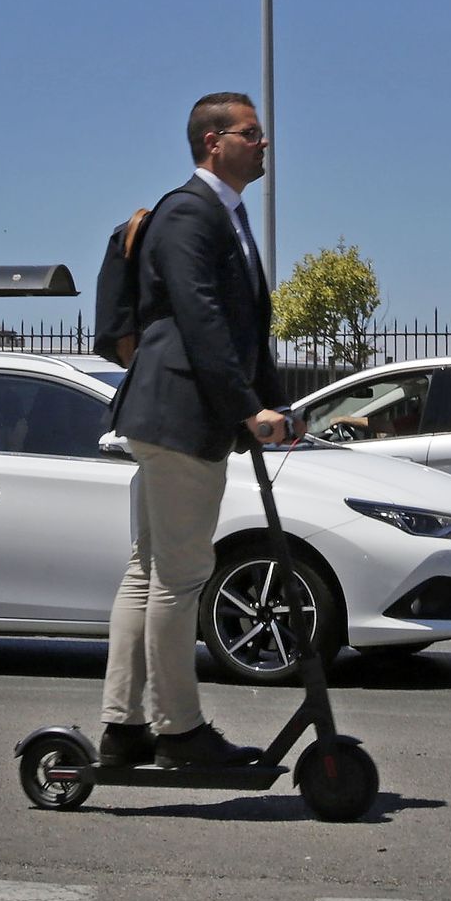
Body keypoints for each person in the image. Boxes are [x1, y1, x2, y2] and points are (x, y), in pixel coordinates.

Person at [98, 92, 287, 769]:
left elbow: (244, 328)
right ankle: (178, 731)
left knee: (150, 574)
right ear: (213, 142)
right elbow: (201, 318)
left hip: (172, 415)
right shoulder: (189, 212)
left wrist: (279, 405)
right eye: (251, 133)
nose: (263, 143)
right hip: (178, 416)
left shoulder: (225, 215)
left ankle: (123, 729)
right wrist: (246, 408)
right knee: (179, 578)